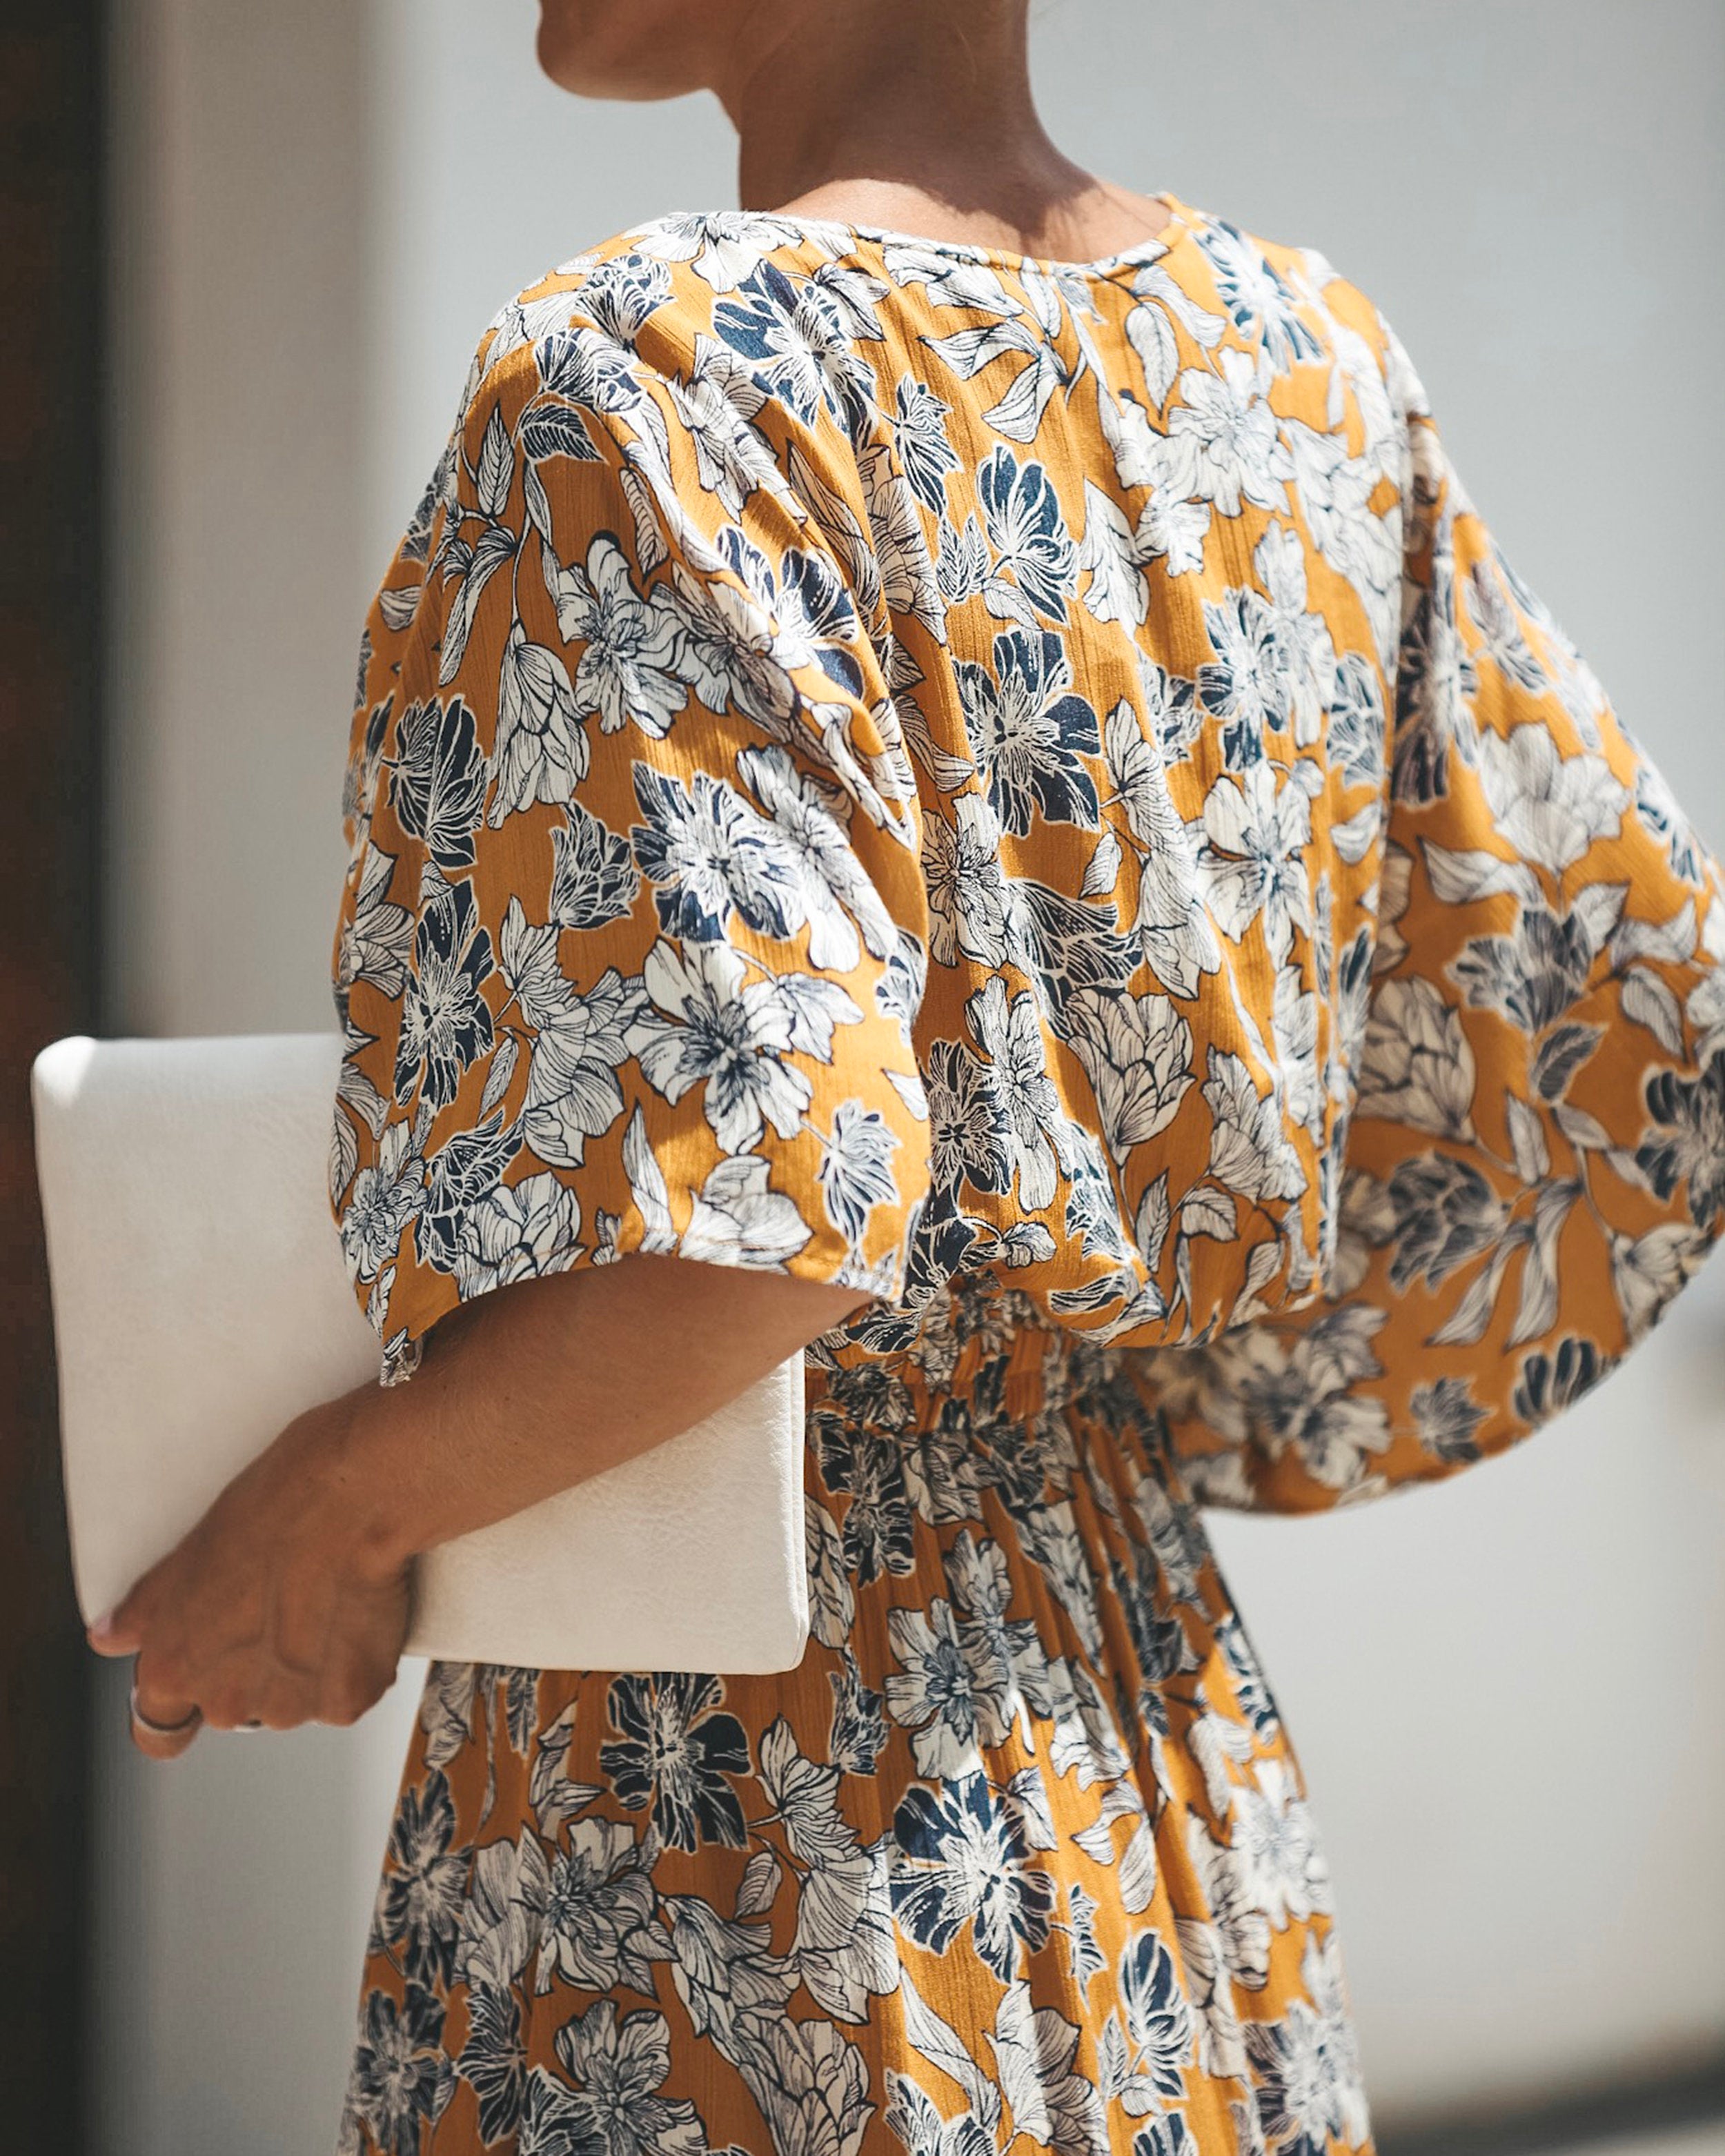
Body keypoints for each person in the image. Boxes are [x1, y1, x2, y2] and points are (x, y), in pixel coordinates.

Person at [89, 0, 1725, 2149]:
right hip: (1137, 1733)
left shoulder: (658, 370)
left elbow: (767, 1215)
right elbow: (1613, 1043)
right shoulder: (1298, 362)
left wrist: (333, 1509)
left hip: (739, 1809)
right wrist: (1128, 1383)